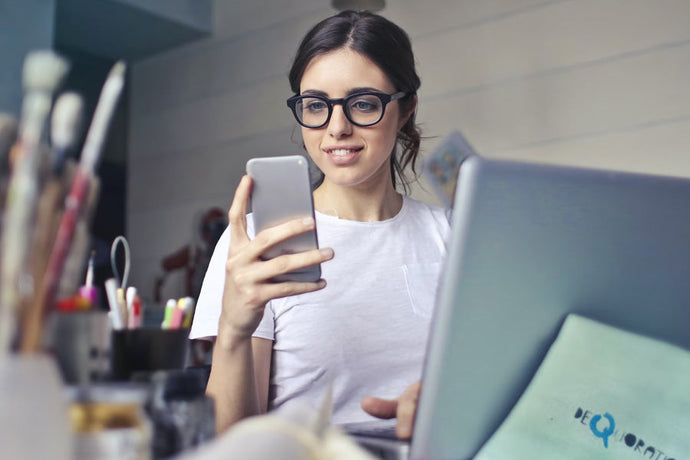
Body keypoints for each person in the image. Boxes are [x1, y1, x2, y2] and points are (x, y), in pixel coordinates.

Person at [189, 10, 451, 440]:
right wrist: (234, 329)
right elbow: (232, 442)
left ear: (405, 110)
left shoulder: (452, 237)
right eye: (316, 106)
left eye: (363, 103)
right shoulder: (259, 242)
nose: (337, 128)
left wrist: (448, 402)